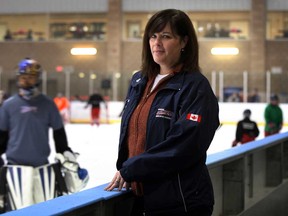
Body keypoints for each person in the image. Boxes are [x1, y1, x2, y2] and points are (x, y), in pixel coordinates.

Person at [105, 9, 220, 216]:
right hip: (140, 198)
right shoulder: (139, 81)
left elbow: (186, 145)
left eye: (166, 36)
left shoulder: (195, 87)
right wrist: (129, 171)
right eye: (153, 36)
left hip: (181, 202)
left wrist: (133, 168)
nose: (157, 43)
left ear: (184, 42)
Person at [0, 58, 88, 212]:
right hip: (14, 169)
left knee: (45, 212)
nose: (27, 81)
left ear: (37, 78)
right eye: (23, 77)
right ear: (18, 78)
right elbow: (2, 137)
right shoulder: (9, 105)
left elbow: (59, 135)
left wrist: (65, 153)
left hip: (43, 169)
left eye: (31, 77)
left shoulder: (47, 104)